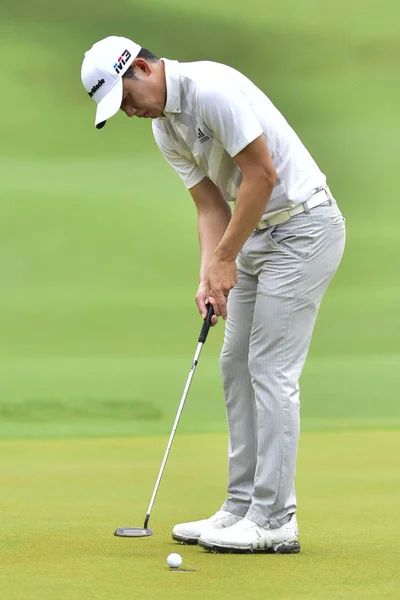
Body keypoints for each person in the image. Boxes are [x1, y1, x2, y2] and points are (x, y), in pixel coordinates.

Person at [81, 35, 346, 554]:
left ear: (140, 67)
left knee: (269, 367)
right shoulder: (164, 128)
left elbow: (262, 175)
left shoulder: (210, 90)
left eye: (126, 98)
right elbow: (209, 206)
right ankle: (242, 505)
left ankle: (274, 518)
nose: (129, 112)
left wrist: (226, 257)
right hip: (255, 234)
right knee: (234, 363)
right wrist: (210, 272)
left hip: (305, 226)